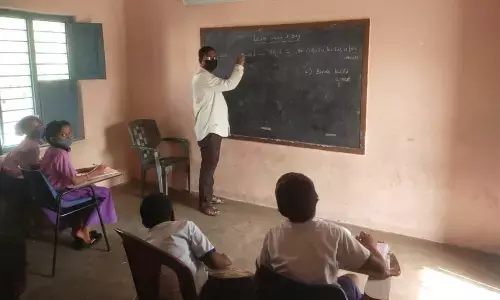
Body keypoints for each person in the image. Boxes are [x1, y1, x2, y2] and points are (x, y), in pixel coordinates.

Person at [258, 173, 400, 300]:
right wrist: (371, 246)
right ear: (316, 200)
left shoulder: (272, 236)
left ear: (280, 209)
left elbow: (262, 269)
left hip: (291, 295)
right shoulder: (336, 234)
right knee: (355, 279)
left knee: (350, 279)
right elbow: (381, 269)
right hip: (327, 296)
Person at [40, 120, 117, 249]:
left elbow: (64, 172)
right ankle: (84, 230)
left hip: (51, 193)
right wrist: (95, 173)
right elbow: (75, 180)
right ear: (53, 138)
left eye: (70, 133)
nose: (69, 137)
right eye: (63, 135)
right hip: (63, 194)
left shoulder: (51, 150)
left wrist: (88, 170)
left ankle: (78, 229)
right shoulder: (61, 154)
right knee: (103, 194)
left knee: (93, 190)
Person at [140, 193, 232, 298]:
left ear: (144, 222)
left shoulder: (145, 244)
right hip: (192, 293)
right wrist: (225, 259)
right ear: (172, 215)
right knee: (236, 280)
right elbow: (214, 262)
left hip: (158, 296)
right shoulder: (186, 227)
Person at [192, 46, 245, 216]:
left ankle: (209, 195)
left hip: (213, 129)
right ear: (201, 60)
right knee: (208, 167)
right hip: (209, 130)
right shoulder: (203, 78)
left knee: (211, 165)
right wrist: (239, 66)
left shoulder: (208, 77)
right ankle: (204, 203)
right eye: (209, 58)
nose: (213, 60)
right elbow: (230, 84)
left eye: (215, 57)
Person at [0, 116, 45, 235]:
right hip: (13, 179)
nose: (40, 128)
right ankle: (27, 227)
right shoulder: (32, 146)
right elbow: (33, 167)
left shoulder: (28, 142)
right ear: (28, 130)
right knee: (30, 198)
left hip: (8, 176)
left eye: (40, 125)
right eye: (35, 127)